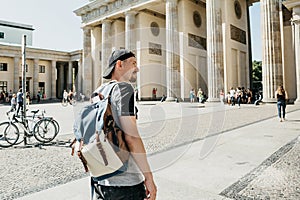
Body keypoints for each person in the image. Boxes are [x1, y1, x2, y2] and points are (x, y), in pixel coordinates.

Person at [93, 49, 157, 199]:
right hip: (125, 184)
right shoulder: (124, 88)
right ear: (119, 64)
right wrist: (148, 177)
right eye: (134, 63)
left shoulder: (98, 92)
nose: (137, 68)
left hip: (100, 181)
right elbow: (131, 137)